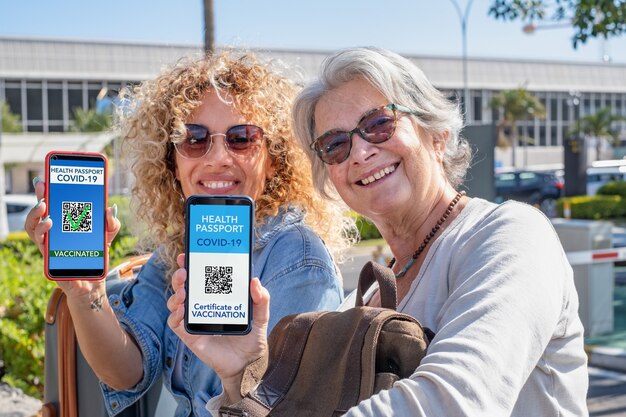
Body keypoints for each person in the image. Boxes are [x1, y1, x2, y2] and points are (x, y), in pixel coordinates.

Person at [174, 47, 588, 416]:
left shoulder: (510, 236)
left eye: (378, 124)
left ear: (437, 135)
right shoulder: (365, 299)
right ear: (330, 176)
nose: (361, 151)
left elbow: (452, 401)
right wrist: (242, 374)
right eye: (335, 144)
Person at [26, 51, 353, 417]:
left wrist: (240, 376)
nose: (216, 157)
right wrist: (86, 291)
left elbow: (291, 409)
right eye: (193, 139)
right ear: (173, 164)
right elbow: (126, 372)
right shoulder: (178, 250)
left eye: (242, 138)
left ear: (274, 159)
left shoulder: (298, 261)